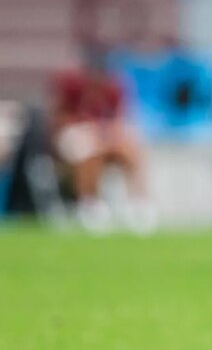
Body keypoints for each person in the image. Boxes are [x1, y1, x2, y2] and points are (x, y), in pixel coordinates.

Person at [51, 46, 155, 233]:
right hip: (76, 133)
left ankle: (138, 203)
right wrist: (86, 127)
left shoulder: (114, 86)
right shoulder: (70, 85)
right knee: (88, 151)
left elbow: (119, 119)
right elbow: (60, 118)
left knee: (129, 150)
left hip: (103, 134)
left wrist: (106, 132)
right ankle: (90, 202)